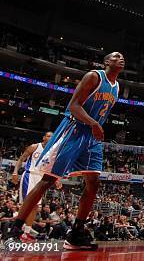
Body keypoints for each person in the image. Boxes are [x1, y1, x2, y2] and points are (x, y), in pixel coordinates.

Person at [7, 52, 125, 250]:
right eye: (115, 56)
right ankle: (15, 229)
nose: (120, 58)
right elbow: (74, 106)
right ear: (106, 62)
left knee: (94, 182)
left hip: (92, 138)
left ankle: (76, 233)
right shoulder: (94, 77)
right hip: (74, 129)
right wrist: (94, 122)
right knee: (48, 180)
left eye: (122, 57)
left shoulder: (117, 86)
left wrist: (95, 126)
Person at [11, 131, 62, 242]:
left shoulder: (52, 152)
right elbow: (21, 159)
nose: (50, 138)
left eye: (53, 137)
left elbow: (53, 168)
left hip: (41, 179)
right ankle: (16, 229)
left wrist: (57, 180)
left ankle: (26, 233)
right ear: (44, 137)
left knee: (35, 207)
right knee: (27, 204)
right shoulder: (34, 147)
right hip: (30, 176)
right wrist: (15, 172)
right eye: (48, 136)